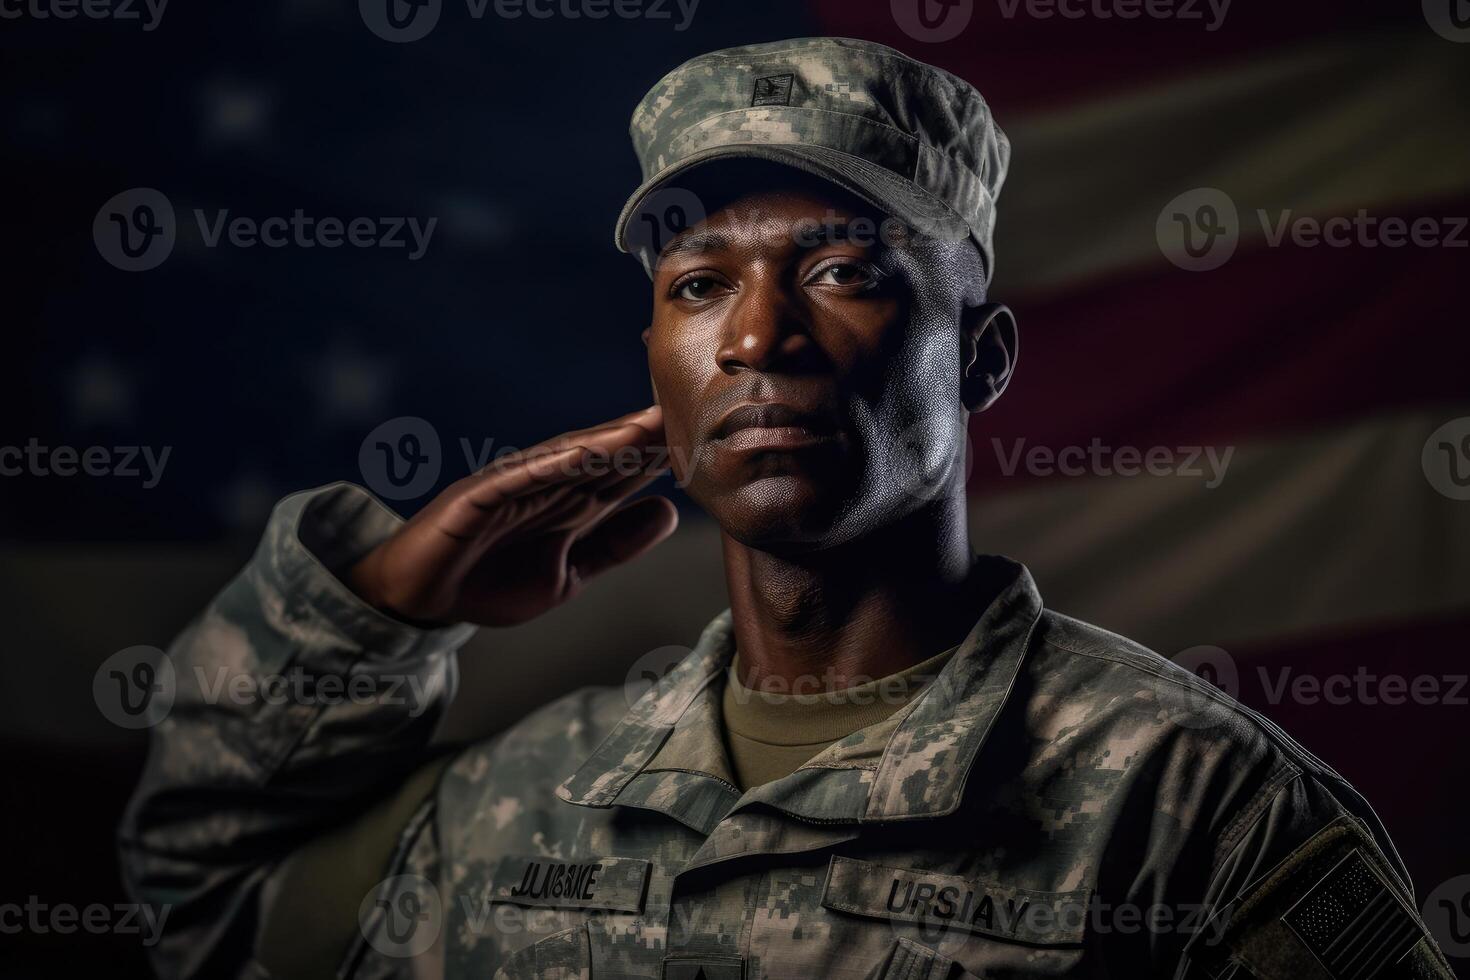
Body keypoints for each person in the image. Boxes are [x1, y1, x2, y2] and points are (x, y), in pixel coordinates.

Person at [118, 36, 1454, 979]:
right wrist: (364, 618)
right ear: (655, 357)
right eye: (700, 286)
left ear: (978, 360)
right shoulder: (521, 802)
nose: (759, 338)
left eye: (840, 271)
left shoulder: (1185, 806)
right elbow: (208, 913)